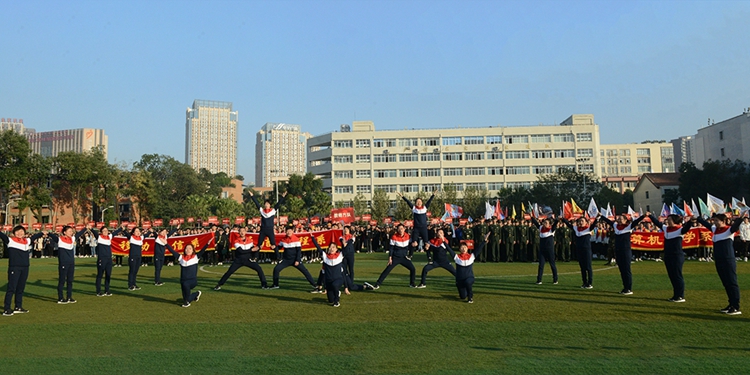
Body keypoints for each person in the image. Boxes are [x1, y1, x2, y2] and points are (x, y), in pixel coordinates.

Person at [696, 213, 743, 315]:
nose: (715, 222)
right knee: (725, 283)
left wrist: (741, 217)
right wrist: (698, 218)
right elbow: (706, 224)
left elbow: (735, 226)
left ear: (723, 221)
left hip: (728, 260)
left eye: (717, 221)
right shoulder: (715, 230)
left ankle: (736, 306)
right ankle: (730, 304)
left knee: (732, 283)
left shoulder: (729, 230)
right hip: (719, 260)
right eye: (714, 220)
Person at [647, 212, 693, 302]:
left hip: (677, 255)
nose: (667, 221)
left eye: (670, 220)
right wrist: (650, 216)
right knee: (671, 275)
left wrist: (691, 221)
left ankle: (680, 295)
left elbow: (687, 228)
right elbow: (657, 223)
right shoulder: (666, 229)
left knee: (677, 275)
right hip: (668, 255)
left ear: (675, 221)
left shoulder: (680, 230)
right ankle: (676, 295)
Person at [599, 213, 646, 295]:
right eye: (618, 218)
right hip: (618, 250)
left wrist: (643, 216)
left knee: (626, 270)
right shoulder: (616, 227)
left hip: (625, 251)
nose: (619, 220)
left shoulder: (628, 227)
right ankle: (625, 287)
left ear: (625, 220)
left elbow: (636, 222)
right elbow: (608, 221)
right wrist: (601, 216)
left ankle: (629, 288)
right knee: (621, 270)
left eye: (621, 219)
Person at [1, 226, 44, 316]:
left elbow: (34, 237)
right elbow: (2, 235)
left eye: (21, 231)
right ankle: (7, 308)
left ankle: (18, 306)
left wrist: (42, 233)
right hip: (14, 267)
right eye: (17, 232)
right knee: (11, 288)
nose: (19, 233)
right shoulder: (10, 241)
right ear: (14, 233)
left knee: (20, 288)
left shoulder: (27, 241)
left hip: (25, 267)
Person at [213, 226, 268, 290]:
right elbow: (241, 251)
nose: (242, 232)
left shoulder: (250, 240)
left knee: (259, 269)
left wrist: (257, 250)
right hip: (239, 260)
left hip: (248, 260)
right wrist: (251, 250)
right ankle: (219, 284)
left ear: (245, 232)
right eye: (240, 231)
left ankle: (264, 285)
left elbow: (254, 250)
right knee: (229, 272)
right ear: (239, 232)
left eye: (243, 231)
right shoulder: (236, 241)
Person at [48, 224, 89, 304]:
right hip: (63, 263)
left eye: (72, 231)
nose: (71, 233)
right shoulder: (60, 239)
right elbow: (53, 237)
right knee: (62, 280)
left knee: (70, 281)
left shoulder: (72, 239)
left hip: (71, 263)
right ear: (64, 232)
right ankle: (60, 298)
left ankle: (69, 297)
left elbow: (78, 234)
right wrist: (48, 233)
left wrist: (86, 228)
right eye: (69, 231)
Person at [445, 232, 491, 303]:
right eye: (462, 247)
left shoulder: (471, 256)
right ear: (459, 249)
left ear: (467, 248)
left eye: (465, 247)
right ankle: (465, 293)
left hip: (469, 278)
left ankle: (470, 297)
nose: (463, 249)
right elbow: (449, 250)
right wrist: (443, 241)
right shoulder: (456, 257)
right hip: (460, 280)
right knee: (462, 296)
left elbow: (479, 249)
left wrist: (484, 241)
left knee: (468, 282)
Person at [165, 241, 211, 307]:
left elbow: (202, 250)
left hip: (192, 280)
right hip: (183, 281)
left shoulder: (195, 257)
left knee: (187, 299)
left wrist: (207, 243)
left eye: (190, 248)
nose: (188, 250)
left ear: (192, 250)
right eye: (186, 248)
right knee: (185, 298)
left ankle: (188, 302)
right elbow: (172, 251)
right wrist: (166, 244)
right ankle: (196, 294)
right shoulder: (181, 258)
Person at [372, 224, 416, 289]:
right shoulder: (394, 237)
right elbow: (391, 248)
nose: (400, 230)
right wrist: (390, 258)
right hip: (395, 257)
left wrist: (411, 253)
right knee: (387, 270)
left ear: (404, 229)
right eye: (399, 229)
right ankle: (377, 284)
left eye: (401, 228)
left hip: (404, 257)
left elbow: (412, 245)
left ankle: (412, 283)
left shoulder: (408, 236)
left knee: (413, 269)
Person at [561, 216, 598, 289]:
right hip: (579, 250)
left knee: (588, 267)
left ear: (586, 222)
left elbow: (593, 225)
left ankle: (589, 283)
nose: (581, 222)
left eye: (582, 221)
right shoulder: (576, 229)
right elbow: (569, 225)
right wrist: (563, 219)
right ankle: (584, 282)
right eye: (579, 221)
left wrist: (597, 218)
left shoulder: (588, 229)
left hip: (586, 250)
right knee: (582, 267)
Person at [249, 190, 286, 260]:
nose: (266, 205)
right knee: (259, 244)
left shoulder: (273, 211)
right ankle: (255, 257)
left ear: (270, 205)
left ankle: (278, 257)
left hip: (270, 230)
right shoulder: (262, 211)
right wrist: (252, 196)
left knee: (273, 244)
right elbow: (256, 203)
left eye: (268, 204)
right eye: (265, 204)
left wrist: (282, 197)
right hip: (263, 230)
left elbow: (278, 204)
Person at [116, 223, 146, 291]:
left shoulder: (141, 238)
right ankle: (130, 285)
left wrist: (150, 230)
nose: (138, 232)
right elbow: (126, 234)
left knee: (136, 271)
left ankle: (134, 284)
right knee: (132, 271)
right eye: (136, 231)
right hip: (133, 256)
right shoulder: (131, 237)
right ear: (133, 232)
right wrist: (123, 229)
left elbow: (147, 234)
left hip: (139, 256)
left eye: (139, 231)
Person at [530, 216, 558, 285]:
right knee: (541, 265)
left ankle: (555, 279)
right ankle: (539, 280)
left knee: (552, 265)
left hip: (550, 250)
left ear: (549, 224)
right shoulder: (541, 228)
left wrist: (557, 220)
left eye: (546, 223)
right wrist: (532, 217)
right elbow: (536, 223)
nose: (544, 224)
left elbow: (555, 225)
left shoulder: (551, 230)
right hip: (542, 250)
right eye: (544, 222)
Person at [90, 225, 115, 296]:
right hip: (102, 259)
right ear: (101, 232)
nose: (105, 232)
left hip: (109, 259)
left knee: (108, 275)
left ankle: (107, 290)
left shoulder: (109, 237)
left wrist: (121, 229)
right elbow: (94, 233)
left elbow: (115, 233)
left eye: (106, 231)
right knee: (100, 275)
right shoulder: (99, 237)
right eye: (104, 231)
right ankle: (98, 291)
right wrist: (91, 228)